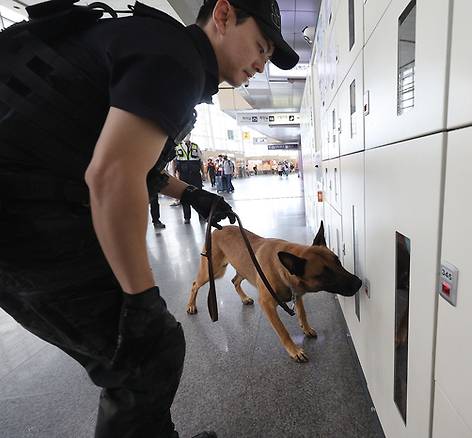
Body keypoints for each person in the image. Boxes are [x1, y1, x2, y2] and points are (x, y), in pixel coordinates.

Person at [0, 0, 298, 437]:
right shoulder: (174, 60)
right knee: (147, 350)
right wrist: (140, 298)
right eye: (260, 44)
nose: (261, 61)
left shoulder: (160, 47)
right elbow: (111, 175)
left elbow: (131, 161)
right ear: (223, 15)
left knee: (145, 356)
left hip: (26, 213)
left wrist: (191, 193)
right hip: (25, 224)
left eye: (269, 55)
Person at [175, 137, 204, 223]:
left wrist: (204, 174)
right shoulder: (177, 146)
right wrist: (174, 174)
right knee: (185, 195)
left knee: (198, 195)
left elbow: (201, 161)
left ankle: (201, 215)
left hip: (195, 174)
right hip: (184, 175)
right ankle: (187, 217)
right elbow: (174, 161)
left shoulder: (195, 146)